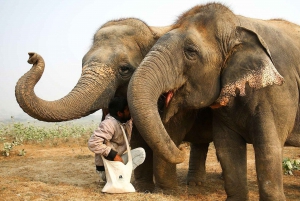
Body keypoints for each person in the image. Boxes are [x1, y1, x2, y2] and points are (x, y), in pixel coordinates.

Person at [88, 97, 145, 182]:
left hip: (118, 162)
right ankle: (118, 178)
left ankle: (122, 175)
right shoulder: (109, 124)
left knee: (141, 153)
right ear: (119, 113)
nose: (130, 112)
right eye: (128, 110)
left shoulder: (126, 121)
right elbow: (92, 143)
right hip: (106, 167)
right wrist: (113, 155)